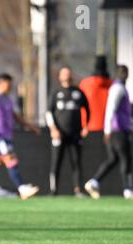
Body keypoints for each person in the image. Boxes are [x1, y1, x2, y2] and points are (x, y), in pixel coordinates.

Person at [0, 73, 40, 201]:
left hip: (7, 136)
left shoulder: (8, 99)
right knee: (10, 159)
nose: (10, 87)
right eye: (8, 84)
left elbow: (16, 117)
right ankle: (22, 188)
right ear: (1, 83)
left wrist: (31, 127)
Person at [85, 65, 133, 200]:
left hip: (117, 129)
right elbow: (111, 109)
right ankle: (127, 189)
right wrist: (107, 130)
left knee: (113, 159)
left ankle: (94, 182)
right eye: (122, 72)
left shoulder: (120, 87)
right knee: (125, 158)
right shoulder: (118, 88)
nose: (124, 75)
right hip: (117, 130)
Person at [46, 66, 90, 197]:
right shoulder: (55, 92)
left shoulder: (78, 92)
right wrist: (53, 129)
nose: (66, 76)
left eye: (68, 73)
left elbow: (87, 110)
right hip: (59, 134)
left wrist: (86, 126)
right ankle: (53, 190)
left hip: (75, 133)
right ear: (59, 77)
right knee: (56, 162)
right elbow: (48, 112)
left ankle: (78, 190)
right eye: (63, 74)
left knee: (76, 162)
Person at [79, 55, 113, 132]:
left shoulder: (85, 84)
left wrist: (83, 125)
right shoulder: (113, 85)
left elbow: (80, 107)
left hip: (88, 128)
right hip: (109, 130)